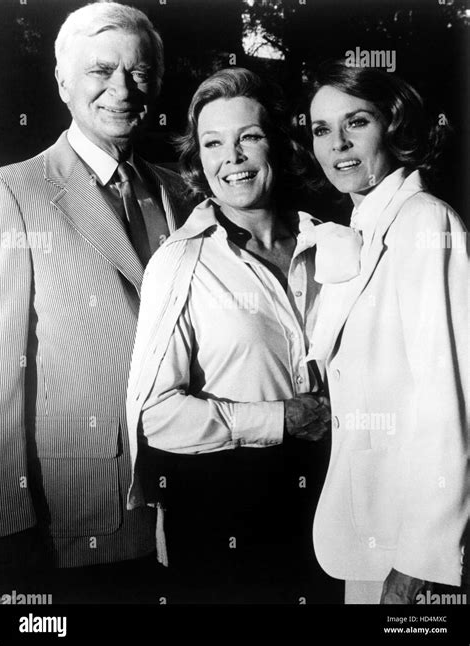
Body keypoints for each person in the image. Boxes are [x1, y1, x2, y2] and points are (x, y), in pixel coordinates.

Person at [126, 67, 345, 603]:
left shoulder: (338, 245)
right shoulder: (180, 262)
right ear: (197, 159)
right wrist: (280, 419)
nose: (233, 158)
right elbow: (155, 415)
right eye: (213, 143)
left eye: (248, 137)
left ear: (279, 145)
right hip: (225, 511)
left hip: (336, 498)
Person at [0, 2, 191, 603]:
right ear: (62, 83)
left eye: (139, 74)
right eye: (100, 72)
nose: (122, 90)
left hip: (184, 497)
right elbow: (1, 371)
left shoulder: (178, 189)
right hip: (77, 501)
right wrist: (8, 518)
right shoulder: (15, 191)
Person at [307, 59, 469, 604]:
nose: (338, 144)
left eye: (357, 122)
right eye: (322, 130)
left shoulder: (425, 220)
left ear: (393, 127)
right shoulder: (365, 225)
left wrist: (421, 558)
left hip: (413, 550)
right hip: (368, 532)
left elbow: (449, 400)